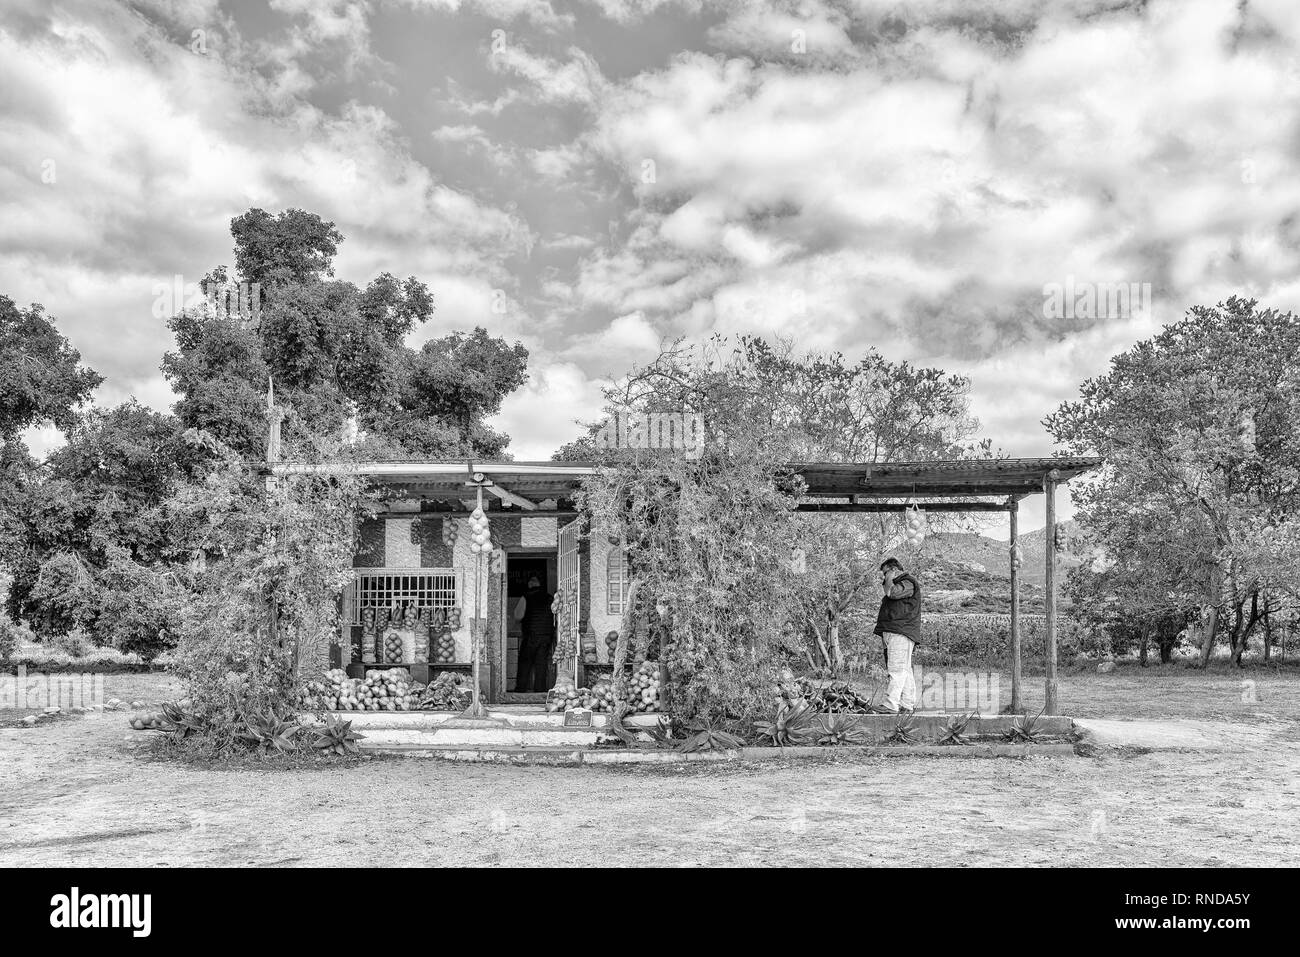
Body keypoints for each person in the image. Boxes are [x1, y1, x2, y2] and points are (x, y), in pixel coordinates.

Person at [872, 558, 922, 714]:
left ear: (893, 569)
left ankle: (891, 704)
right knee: (904, 669)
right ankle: (907, 704)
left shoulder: (908, 582)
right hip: (896, 631)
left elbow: (892, 593)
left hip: (901, 632)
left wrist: (889, 576)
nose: (884, 577)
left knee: (896, 669)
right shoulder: (901, 583)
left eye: (885, 572)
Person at [513, 574, 555, 692]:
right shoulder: (550, 598)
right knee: (541, 664)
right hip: (546, 636)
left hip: (531, 635)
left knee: (525, 663)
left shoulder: (526, 597)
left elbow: (518, 615)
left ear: (530, 584)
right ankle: (540, 691)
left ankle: (520, 690)